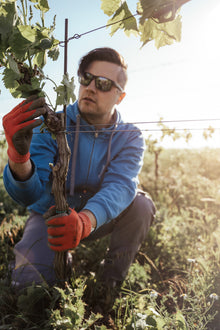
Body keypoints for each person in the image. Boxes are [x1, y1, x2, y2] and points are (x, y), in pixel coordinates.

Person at [2, 47, 155, 309]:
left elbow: (120, 185)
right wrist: (18, 157)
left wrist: (85, 221)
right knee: (29, 289)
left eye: (104, 83)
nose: (91, 87)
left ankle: (108, 287)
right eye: (86, 77)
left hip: (96, 219)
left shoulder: (130, 136)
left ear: (120, 96)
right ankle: (51, 259)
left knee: (141, 205)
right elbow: (29, 194)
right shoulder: (51, 123)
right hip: (49, 217)